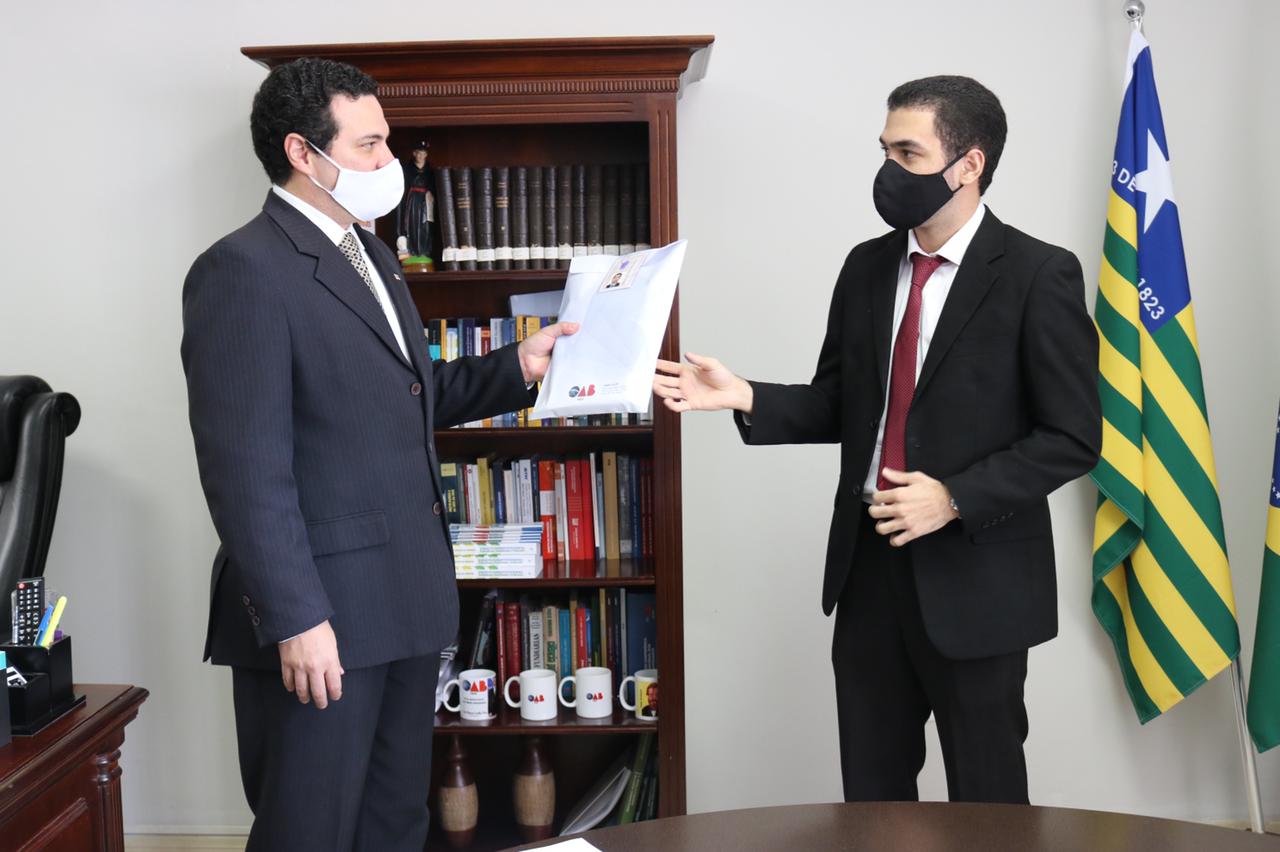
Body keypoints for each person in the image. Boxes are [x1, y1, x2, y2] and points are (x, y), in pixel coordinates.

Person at [653, 76, 1100, 804]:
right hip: (868, 573)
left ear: (969, 164)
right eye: (885, 150)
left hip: (977, 580)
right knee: (872, 796)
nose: (888, 169)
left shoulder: (1038, 273)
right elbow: (844, 404)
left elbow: (1072, 437)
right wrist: (744, 395)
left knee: (988, 802)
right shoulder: (866, 266)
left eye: (907, 153)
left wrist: (953, 498)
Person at [181, 57, 576, 851]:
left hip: (405, 601)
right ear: (302, 152)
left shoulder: (372, 256)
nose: (389, 161)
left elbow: (404, 396)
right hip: (322, 620)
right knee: (310, 833)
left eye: (386, 141)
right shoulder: (241, 270)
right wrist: (298, 619)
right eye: (369, 145)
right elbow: (246, 471)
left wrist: (517, 368)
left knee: (395, 826)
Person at [397, 140, 435, 260]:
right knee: (412, 226)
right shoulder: (407, 169)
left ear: (426, 155)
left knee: (426, 227)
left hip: (426, 201)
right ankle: (412, 252)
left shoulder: (430, 170)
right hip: (413, 201)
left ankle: (425, 252)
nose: (420, 156)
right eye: (418, 153)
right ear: (414, 153)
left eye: (423, 153)